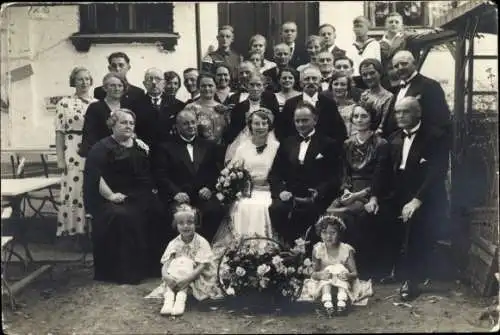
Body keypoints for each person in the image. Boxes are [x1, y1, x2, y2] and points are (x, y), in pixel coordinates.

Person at [365, 97, 449, 301]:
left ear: (418, 113)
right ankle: (388, 269)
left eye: (405, 112)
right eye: (397, 112)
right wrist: (374, 196)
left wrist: (416, 200)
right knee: (375, 215)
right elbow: (382, 170)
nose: (400, 116)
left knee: (414, 222)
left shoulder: (435, 136)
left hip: (426, 195)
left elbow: (437, 172)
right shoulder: (393, 138)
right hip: (398, 192)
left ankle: (411, 280)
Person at [83, 109, 167, 284]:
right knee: (123, 217)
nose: (128, 126)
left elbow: (147, 173)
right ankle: (125, 273)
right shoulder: (101, 148)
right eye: (123, 122)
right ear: (112, 124)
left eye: (131, 123)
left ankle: (152, 268)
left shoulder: (140, 146)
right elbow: (95, 177)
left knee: (158, 211)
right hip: (111, 196)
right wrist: (111, 195)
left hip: (139, 195)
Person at [268, 102, 344, 248]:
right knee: (276, 210)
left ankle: (309, 252)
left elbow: (335, 175)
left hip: (316, 195)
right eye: (297, 121)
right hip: (291, 194)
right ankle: (289, 249)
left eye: (305, 120)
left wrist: (320, 191)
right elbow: (275, 173)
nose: (301, 124)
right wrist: (281, 191)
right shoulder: (287, 143)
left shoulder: (328, 143)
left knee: (311, 215)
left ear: (314, 120)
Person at [328, 105, 389, 277]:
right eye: (356, 116)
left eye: (364, 116)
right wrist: (346, 190)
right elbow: (344, 171)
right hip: (349, 190)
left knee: (349, 214)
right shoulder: (348, 143)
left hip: (370, 193)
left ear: (371, 119)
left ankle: (357, 268)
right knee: (329, 213)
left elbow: (381, 176)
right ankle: (334, 265)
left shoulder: (380, 144)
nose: (359, 120)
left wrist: (360, 195)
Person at [152, 108, 225, 242]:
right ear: (177, 126)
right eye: (185, 123)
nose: (191, 126)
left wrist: (209, 188)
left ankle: (205, 248)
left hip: (203, 194)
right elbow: (160, 174)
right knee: (179, 216)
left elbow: (216, 171)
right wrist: (175, 193)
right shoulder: (165, 147)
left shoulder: (209, 145)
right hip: (178, 195)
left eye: (193, 122)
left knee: (215, 211)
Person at [213, 109, 280, 253]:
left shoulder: (276, 147)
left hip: (268, 190)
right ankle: (242, 249)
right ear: (250, 126)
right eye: (256, 123)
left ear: (269, 126)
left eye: (264, 123)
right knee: (242, 206)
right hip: (248, 190)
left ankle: (263, 249)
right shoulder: (243, 147)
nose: (260, 127)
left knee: (262, 207)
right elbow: (233, 169)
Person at [300, 215, 373, 315]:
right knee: (329, 269)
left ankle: (341, 303)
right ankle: (327, 303)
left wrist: (347, 275)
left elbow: (355, 273)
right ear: (320, 234)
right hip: (325, 285)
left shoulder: (346, 250)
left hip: (343, 285)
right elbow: (314, 273)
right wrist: (321, 275)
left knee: (339, 267)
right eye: (324, 232)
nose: (328, 236)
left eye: (332, 233)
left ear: (339, 234)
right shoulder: (318, 249)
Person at [55, 67, 96, 236]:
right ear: (73, 81)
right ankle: (74, 231)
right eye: (80, 79)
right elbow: (59, 132)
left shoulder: (97, 103)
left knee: (91, 188)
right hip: (72, 150)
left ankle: (91, 232)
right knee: (74, 189)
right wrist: (60, 159)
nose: (84, 82)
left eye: (87, 79)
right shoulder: (64, 103)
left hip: (92, 148)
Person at [154, 204, 217, 316]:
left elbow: (201, 266)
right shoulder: (174, 243)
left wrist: (187, 279)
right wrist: (166, 277)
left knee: (186, 263)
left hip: (195, 275)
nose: (185, 226)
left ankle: (180, 299)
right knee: (176, 264)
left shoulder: (201, 242)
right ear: (176, 225)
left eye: (190, 222)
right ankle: (169, 300)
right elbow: (166, 263)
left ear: (196, 224)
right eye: (181, 223)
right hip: (176, 276)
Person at [382, 50, 451, 141]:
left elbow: (440, 118)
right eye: (396, 66)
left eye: (404, 64)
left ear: (415, 64)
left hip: (422, 142)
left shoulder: (430, 85)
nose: (400, 68)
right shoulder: (398, 89)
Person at [275, 66, 347, 144]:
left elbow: (339, 131)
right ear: (301, 83)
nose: (311, 82)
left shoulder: (329, 103)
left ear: (319, 83)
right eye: (307, 79)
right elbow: (281, 131)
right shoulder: (290, 104)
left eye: (314, 78)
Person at [224, 72, 279, 162]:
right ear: (246, 86)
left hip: (267, 138)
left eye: (258, 85)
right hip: (245, 139)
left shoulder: (270, 102)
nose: (255, 88)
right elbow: (234, 129)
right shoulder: (240, 107)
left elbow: (277, 122)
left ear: (263, 87)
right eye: (252, 85)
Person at [79, 72, 127, 158]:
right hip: (102, 155)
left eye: (120, 86)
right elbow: (89, 135)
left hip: (125, 155)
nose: (117, 89)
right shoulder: (95, 107)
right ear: (105, 88)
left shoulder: (127, 106)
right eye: (112, 85)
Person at [185, 73, 229, 145]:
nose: (207, 88)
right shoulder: (190, 108)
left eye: (210, 85)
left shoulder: (223, 109)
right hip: (199, 151)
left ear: (215, 87)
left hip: (220, 151)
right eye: (203, 86)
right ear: (198, 87)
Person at [358, 58, 394, 135]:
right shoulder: (364, 94)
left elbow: (383, 125)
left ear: (380, 73)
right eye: (364, 75)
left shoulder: (389, 97)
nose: (368, 77)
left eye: (372, 73)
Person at [345, 16, 381, 87]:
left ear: (368, 28)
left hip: (369, 78)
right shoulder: (350, 46)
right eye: (356, 27)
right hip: (354, 79)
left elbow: (378, 63)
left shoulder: (374, 44)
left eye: (361, 26)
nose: (358, 29)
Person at [330, 72, 357, 137]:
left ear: (348, 87)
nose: (339, 87)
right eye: (336, 84)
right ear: (331, 86)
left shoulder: (354, 108)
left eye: (343, 84)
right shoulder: (326, 106)